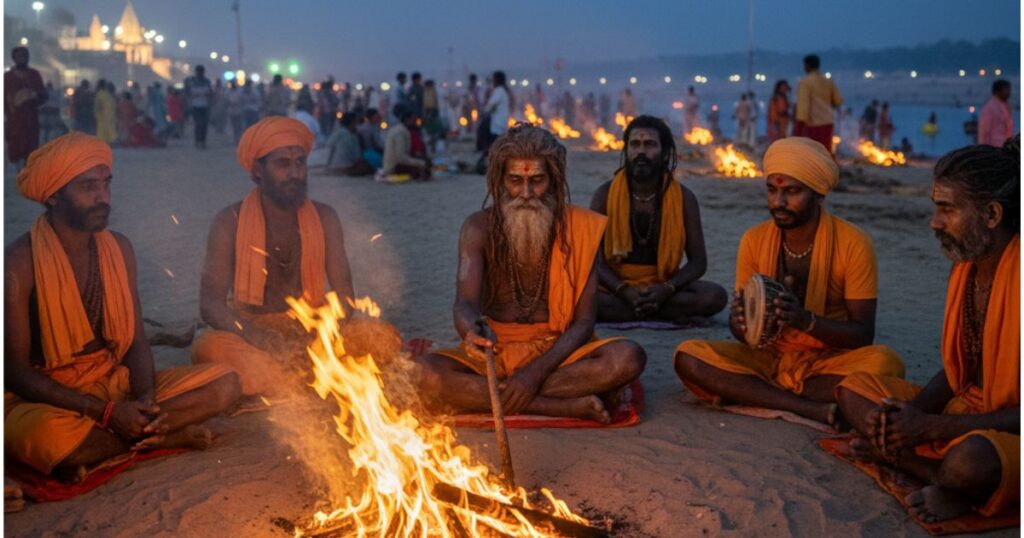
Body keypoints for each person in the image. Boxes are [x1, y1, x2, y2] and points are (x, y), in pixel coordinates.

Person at [5, 132, 241, 481]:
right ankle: (162, 438)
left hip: (117, 385)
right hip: (52, 402)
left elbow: (135, 342)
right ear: (53, 196)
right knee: (44, 437)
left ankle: (129, 437)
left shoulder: (119, 249)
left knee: (227, 384)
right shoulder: (17, 265)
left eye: (106, 184)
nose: (103, 198)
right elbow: (15, 372)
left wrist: (145, 400)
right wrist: (105, 413)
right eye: (88, 188)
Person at [836, 136, 1020, 523]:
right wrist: (907, 417)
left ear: (991, 214)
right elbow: (959, 373)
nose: (934, 222)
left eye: (946, 210)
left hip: (1003, 432)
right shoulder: (966, 268)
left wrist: (931, 426)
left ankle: (939, 476)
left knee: (969, 462)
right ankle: (919, 462)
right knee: (855, 390)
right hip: (969, 412)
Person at [418, 125, 647, 422]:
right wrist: (471, 330)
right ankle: (556, 405)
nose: (526, 193)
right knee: (423, 373)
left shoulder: (580, 229)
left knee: (628, 358)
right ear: (500, 181)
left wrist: (533, 375)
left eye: (537, 180)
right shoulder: (478, 228)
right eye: (516, 180)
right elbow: (464, 303)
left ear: (554, 180)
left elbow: (583, 322)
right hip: (495, 350)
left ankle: (504, 396)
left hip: (558, 354)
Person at [674, 137, 904, 426]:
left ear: (819, 193)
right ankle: (808, 408)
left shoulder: (854, 244)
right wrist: (741, 323)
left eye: (792, 191)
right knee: (689, 355)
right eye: (772, 190)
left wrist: (803, 320)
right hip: (768, 357)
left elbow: (862, 335)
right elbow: (744, 333)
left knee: (887, 363)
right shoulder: (754, 240)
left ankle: (762, 393)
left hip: (828, 360)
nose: (778, 202)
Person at [191, 117, 356, 396]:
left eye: (300, 163)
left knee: (382, 338)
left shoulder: (326, 217)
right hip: (252, 331)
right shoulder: (229, 221)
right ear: (257, 170)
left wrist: (321, 336)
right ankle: (307, 377)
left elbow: (345, 297)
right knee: (211, 348)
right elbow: (211, 305)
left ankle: (294, 376)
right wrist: (261, 338)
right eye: (283, 164)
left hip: (314, 328)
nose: (295, 173)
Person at [591, 115, 727, 324]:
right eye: (635, 144)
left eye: (650, 145)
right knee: (581, 298)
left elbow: (698, 262)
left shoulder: (684, 198)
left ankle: (638, 310)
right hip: (615, 289)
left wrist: (666, 289)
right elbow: (594, 261)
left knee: (715, 296)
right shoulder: (604, 195)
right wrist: (624, 291)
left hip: (663, 286)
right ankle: (660, 312)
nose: (641, 152)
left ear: (665, 153)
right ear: (626, 151)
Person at [5, 46, 47, 168]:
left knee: (31, 155)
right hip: (14, 124)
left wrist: (33, 95)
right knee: (15, 154)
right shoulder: (7, 78)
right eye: (19, 57)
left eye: (25, 56)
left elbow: (44, 96)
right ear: (14, 59)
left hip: (31, 122)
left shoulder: (34, 75)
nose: (22, 59)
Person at [794, 54, 843, 151]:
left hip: (813, 123)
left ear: (807, 65)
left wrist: (798, 128)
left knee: (813, 151)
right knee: (825, 149)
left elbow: (803, 107)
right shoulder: (828, 81)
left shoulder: (805, 82)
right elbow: (838, 100)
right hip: (828, 121)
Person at [382, 107, 431, 180]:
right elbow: (401, 158)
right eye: (413, 120)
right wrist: (420, 163)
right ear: (407, 120)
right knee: (423, 166)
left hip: (398, 164)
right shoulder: (400, 132)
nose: (415, 122)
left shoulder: (403, 130)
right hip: (393, 168)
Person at [478, 70, 511, 170]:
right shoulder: (503, 91)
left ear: (497, 80)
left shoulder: (499, 91)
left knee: (492, 143)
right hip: (500, 121)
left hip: (496, 122)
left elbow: (491, 105)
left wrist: (483, 112)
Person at [326, 112, 374, 176]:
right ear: (352, 123)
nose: (358, 125)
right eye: (356, 123)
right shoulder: (352, 136)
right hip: (346, 168)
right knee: (369, 167)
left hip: (333, 166)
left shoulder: (337, 132)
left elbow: (328, 146)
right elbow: (356, 157)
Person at [978, 80, 1015, 147]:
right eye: (1006, 90)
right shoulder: (989, 108)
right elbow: (984, 132)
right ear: (998, 91)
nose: (1009, 93)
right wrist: (983, 150)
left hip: (1006, 146)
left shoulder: (1006, 106)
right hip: (994, 148)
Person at [185, 65, 213, 149]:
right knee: (198, 124)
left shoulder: (207, 82)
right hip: (195, 106)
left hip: (205, 106)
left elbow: (210, 93)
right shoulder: (192, 82)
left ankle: (202, 141)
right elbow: (188, 93)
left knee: (204, 125)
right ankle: (198, 141)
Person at [94, 81, 117, 145]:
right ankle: (109, 141)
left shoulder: (100, 94)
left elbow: (97, 106)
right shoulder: (106, 94)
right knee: (108, 128)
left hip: (103, 115)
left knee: (103, 129)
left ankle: (105, 142)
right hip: (107, 115)